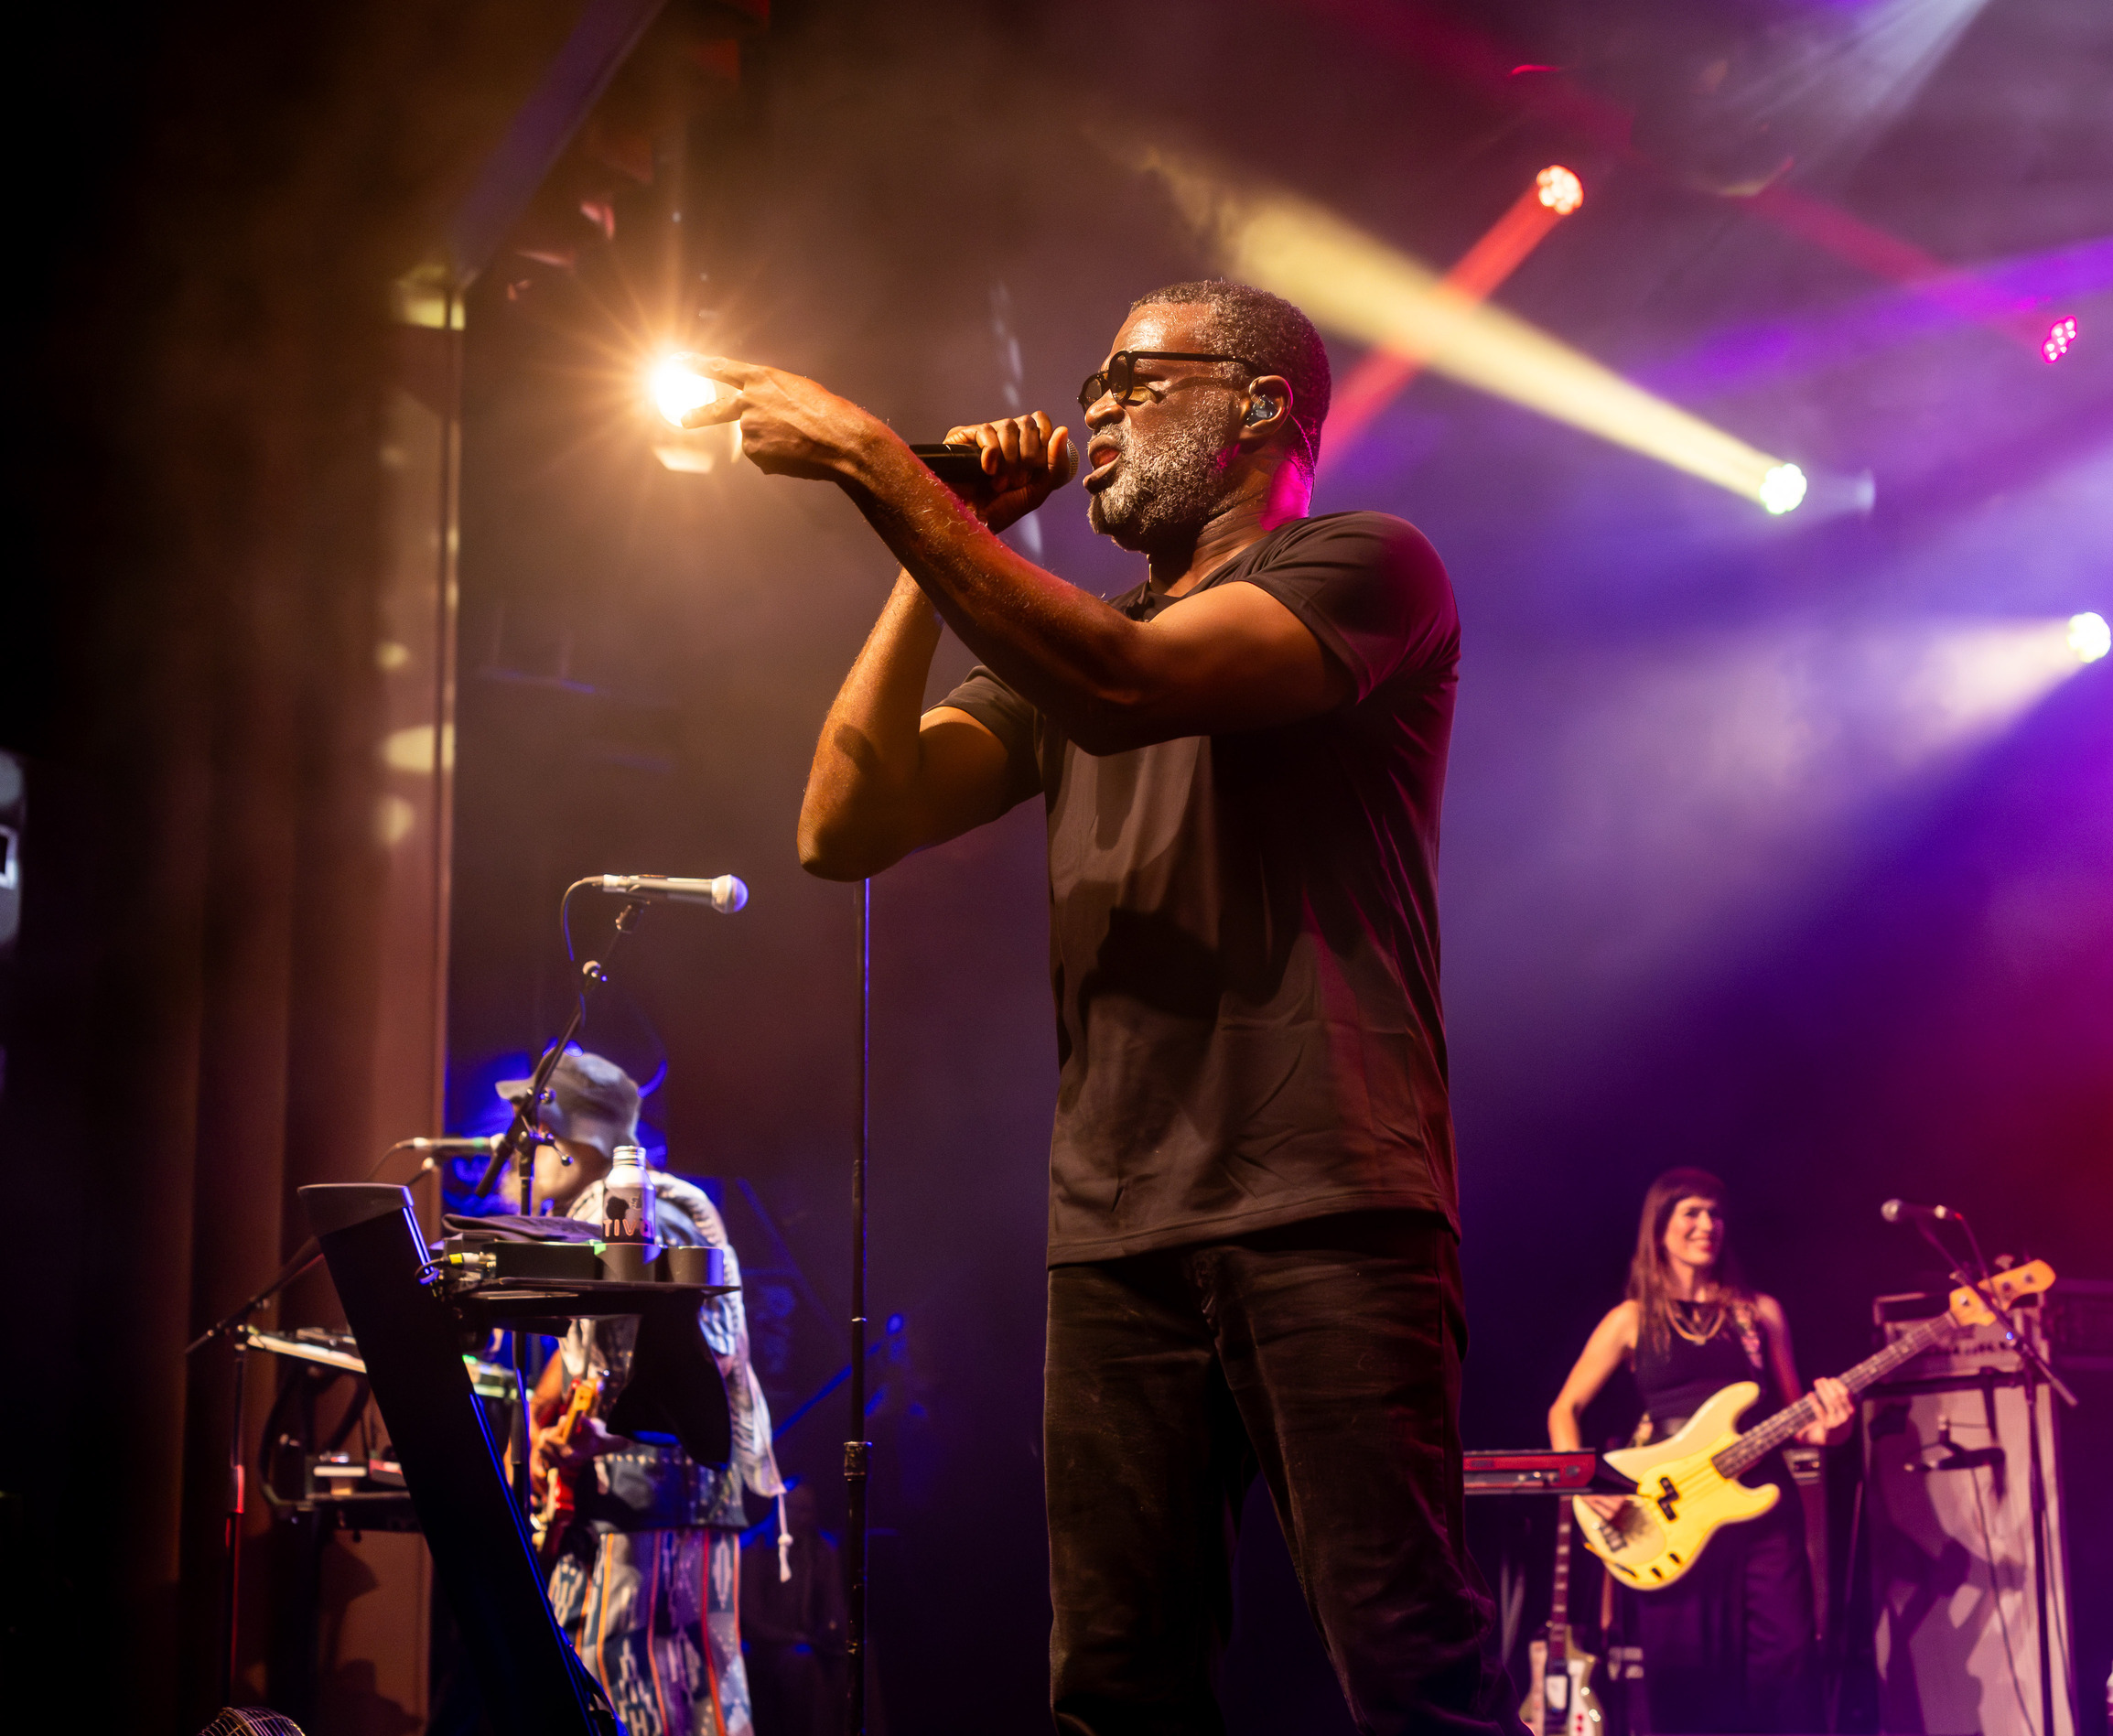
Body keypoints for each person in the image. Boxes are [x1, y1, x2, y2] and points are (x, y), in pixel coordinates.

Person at [682, 281, 1515, 1734]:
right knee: (1116, 1695)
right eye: (1095, 383)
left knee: (1409, 1675)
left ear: (1261, 405)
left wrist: (873, 458)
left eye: (1139, 377)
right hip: (1117, 1230)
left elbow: (1129, 687)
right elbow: (844, 823)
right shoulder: (1071, 646)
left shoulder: (1368, 566)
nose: (1101, 408)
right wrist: (943, 533)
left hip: (1326, 1200)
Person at [505, 1049, 785, 1736]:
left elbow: (709, 1356)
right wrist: (546, 1416)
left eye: (534, 1132)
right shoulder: (596, 1212)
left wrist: (610, 1435)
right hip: (636, 1505)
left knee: (641, 1699)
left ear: (575, 1140)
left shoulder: (640, 1206)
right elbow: (598, 1349)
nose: (518, 1148)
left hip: (659, 1505)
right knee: (654, 1699)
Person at [1545, 1167, 1852, 1733]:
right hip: (1673, 1515)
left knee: (1787, 1669)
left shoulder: (1759, 1314)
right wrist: (1585, 1486)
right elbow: (1564, 1409)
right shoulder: (1631, 1319)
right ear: (1660, 1228)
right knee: (1688, 1685)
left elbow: (1799, 1422)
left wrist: (1832, 1428)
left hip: (1763, 1514)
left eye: (1715, 1214)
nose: (1707, 1224)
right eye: (1691, 1212)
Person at [739, 1480, 842, 1736]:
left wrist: (834, 1632)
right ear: (778, 1508)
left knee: (861, 1655)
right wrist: (793, 1638)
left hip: (809, 1640)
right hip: (766, 1646)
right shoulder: (753, 1547)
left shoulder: (821, 1548)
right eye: (795, 1508)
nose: (802, 1517)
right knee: (802, 1660)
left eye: (808, 1510)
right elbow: (750, 1619)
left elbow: (835, 1606)